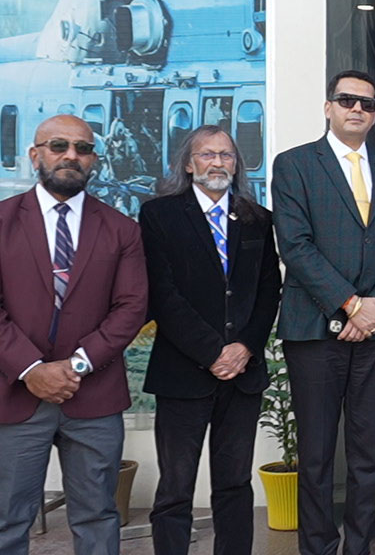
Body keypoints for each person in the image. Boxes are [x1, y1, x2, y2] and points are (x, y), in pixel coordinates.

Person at [270, 70, 375, 555]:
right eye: (347, 100)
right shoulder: (294, 165)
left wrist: (373, 309)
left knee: (367, 454)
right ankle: (318, 547)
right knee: (315, 455)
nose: (357, 109)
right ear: (328, 107)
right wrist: (351, 305)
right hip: (314, 331)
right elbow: (295, 245)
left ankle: (359, 546)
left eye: (367, 104)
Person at [0, 115, 148, 555]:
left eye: (83, 148)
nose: (71, 156)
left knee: (98, 515)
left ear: (94, 160)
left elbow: (132, 307)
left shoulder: (122, 229)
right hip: (16, 394)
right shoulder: (2, 221)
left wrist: (77, 366)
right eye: (59, 145)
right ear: (35, 155)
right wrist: (31, 370)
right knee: (8, 519)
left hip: (94, 397)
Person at [141, 125, 282, 555]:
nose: (218, 162)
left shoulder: (257, 219)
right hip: (183, 374)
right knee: (176, 488)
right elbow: (163, 294)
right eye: (207, 154)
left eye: (226, 155)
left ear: (236, 165)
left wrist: (244, 348)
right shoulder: (159, 215)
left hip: (242, 376)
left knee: (235, 484)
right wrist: (213, 352)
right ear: (189, 164)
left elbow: (268, 291)